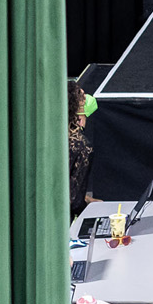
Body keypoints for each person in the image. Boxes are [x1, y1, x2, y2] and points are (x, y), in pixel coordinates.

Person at [69, 80, 97, 219]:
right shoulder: (82, 147)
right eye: (82, 97)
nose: (86, 97)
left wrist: (86, 198)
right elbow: (73, 201)